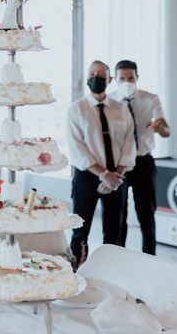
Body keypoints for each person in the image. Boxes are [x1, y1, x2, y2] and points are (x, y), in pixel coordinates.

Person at [66, 60, 136, 268]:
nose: (96, 77)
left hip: (117, 177)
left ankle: (112, 274)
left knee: (116, 230)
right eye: (92, 73)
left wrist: (115, 175)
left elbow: (129, 143)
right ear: (87, 78)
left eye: (101, 74)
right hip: (87, 177)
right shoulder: (77, 109)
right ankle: (76, 274)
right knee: (80, 229)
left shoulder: (121, 108)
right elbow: (77, 148)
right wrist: (103, 174)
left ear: (109, 79)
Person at [111, 60, 170, 255]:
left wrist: (159, 128)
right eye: (122, 79)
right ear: (115, 79)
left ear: (137, 78)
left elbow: (166, 131)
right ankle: (121, 257)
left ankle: (149, 258)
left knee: (146, 214)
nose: (127, 82)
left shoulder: (150, 99)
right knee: (119, 215)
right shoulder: (109, 101)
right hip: (118, 164)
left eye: (130, 78)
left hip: (143, 162)